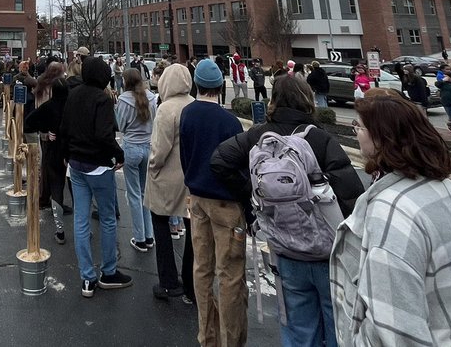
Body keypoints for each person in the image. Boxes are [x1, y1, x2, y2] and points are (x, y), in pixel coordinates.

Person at [330, 90, 451, 346]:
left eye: (361, 126)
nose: (356, 131)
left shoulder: (389, 212)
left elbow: (395, 323)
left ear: (382, 138)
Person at [212, 76, 364, 347]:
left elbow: (220, 160)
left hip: (285, 248)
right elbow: (351, 196)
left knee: (298, 329)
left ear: (274, 101)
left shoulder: (260, 135)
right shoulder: (318, 138)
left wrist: (253, 195)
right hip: (328, 252)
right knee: (338, 329)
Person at [179, 58, 247, 347]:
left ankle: (206, 336)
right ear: (220, 87)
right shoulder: (229, 121)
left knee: (202, 268)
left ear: (197, 84)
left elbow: (185, 156)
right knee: (230, 274)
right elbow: (239, 167)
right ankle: (231, 340)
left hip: (197, 200)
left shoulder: (187, 114)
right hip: (225, 205)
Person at [58, 56, 132, 297]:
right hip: (98, 166)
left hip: (76, 165)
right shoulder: (103, 98)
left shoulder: (74, 94)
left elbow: (64, 128)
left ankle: (87, 278)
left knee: (81, 220)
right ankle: (109, 272)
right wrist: (118, 154)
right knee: (108, 218)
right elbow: (104, 135)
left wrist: (66, 155)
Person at [146, 62, 195, 303]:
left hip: (166, 176)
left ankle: (167, 281)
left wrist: (153, 165)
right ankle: (190, 280)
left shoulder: (166, 109)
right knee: (192, 228)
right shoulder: (193, 104)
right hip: (189, 177)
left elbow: (160, 149)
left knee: (160, 223)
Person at [25, 61, 72, 245]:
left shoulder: (42, 85)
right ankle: (47, 199)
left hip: (53, 143)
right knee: (65, 183)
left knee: (54, 178)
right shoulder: (55, 93)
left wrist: (46, 129)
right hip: (67, 148)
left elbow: (33, 118)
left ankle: (58, 224)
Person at [116, 67, 157, 253]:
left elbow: (121, 125)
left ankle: (139, 237)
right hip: (148, 147)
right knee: (145, 193)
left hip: (131, 147)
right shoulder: (151, 98)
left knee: (133, 195)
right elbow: (155, 121)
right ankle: (149, 236)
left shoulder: (123, 100)